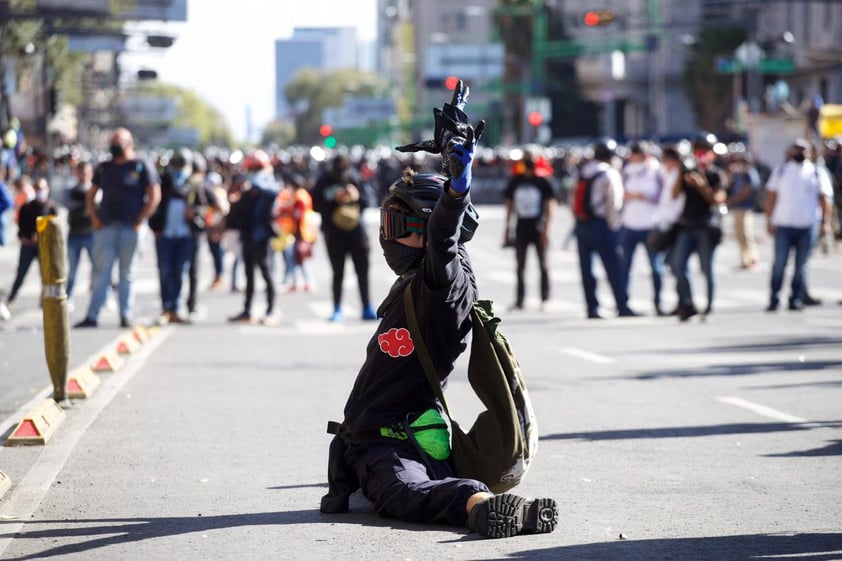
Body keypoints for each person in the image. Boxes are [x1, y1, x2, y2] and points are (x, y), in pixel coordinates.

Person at [321, 82, 558, 538]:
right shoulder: (426, 280)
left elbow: (444, 240)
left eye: (397, 223)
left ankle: (480, 505)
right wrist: (446, 158)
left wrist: (457, 187)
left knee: (404, 494)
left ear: (425, 231)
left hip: (393, 442)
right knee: (384, 486)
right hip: (384, 435)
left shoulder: (441, 283)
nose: (386, 235)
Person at [74, 127, 161, 329]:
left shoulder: (140, 166)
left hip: (130, 227)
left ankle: (125, 315)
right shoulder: (105, 167)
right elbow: (90, 195)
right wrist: (94, 218)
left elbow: (154, 194)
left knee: (127, 273)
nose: (114, 149)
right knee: (101, 272)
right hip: (106, 227)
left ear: (129, 145)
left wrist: (141, 219)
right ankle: (93, 315)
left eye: (118, 144)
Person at [764, 139, 833, 312]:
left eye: (803, 150)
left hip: (807, 225)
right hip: (784, 225)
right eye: (797, 149)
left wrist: (825, 222)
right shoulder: (781, 171)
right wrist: (769, 220)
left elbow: (825, 199)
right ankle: (774, 298)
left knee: (801, 265)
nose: (800, 153)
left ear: (810, 152)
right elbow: (771, 198)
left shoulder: (817, 172)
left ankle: (796, 298)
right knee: (779, 264)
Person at [573, 140, 639, 319]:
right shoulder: (609, 173)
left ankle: (592, 307)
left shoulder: (584, 170)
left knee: (587, 269)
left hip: (582, 224)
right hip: (601, 224)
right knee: (614, 266)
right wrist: (614, 227)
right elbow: (614, 203)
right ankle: (622, 305)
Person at [311, 154, 377, 321]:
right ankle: (337, 307)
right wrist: (334, 200)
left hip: (357, 233)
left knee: (362, 271)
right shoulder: (324, 181)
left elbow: (369, 200)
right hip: (334, 234)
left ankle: (366, 306)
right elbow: (315, 204)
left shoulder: (354, 177)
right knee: (337, 272)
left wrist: (356, 197)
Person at [669, 137, 727, 321]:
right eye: (698, 150)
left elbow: (716, 200)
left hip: (706, 226)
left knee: (706, 268)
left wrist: (701, 185)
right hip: (687, 225)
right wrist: (681, 174)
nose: (701, 154)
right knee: (677, 264)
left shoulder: (715, 174)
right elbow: (674, 194)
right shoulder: (688, 171)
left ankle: (709, 305)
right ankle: (687, 302)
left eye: (704, 150)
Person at [227, 150, 281, 325]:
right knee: (249, 273)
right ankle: (247, 310)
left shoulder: (265, 182)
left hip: (261, 234)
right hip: (247, 233)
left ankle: (271, 310)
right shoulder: (246, 183)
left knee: (266, 272)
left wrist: (254, 186)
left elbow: (273, 193)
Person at [502, 151, 556, 311]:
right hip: (521, 226)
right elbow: (510, 204)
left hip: (538, 226)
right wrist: (507, 227)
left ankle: (545, 298)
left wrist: (547, 228)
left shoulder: (542, 181)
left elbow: (550, 205)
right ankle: (520, 300)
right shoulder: (516, 181)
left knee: (543, 264)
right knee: (520, 266)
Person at [148, 148, 195, 325]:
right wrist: (155, 227)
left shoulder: (192, 184)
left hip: (184, 235)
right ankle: (166, 308)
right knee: (165, 272)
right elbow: (154, 203)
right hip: (165, 234)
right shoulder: (163, 181)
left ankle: (175, 308)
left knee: (179, 272)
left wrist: (194, 214)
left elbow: (203, 206)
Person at [0, 177, 58, 320]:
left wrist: (42, 238)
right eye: (37, 188)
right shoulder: (27, 207)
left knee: (46, 275)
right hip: (28, 246)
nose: (40, 192)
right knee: (21, 274)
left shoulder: (50, 207)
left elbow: (55, 229)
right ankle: (10, 300)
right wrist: (26, 237)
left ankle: (45, 301)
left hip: (43, 247)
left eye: (42, 189)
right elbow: (21, 227)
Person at [620, 142, 665, 315]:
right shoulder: (627, 171)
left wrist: (643, 197)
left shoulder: (656, 171)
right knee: (625, 266)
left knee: (655, 267)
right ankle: (622, 303)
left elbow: (662, 197)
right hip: (630, 223)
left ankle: (658, 302)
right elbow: (621, 193)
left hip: (650, 224)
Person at [63, 161, 95, 308]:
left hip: (91, 234)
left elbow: (97, 205)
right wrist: (87, 201)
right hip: (75, 233)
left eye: (86, 171)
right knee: (73, 270)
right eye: (81, 171)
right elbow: (70, 203)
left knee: (98, 268)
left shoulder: (95, 190)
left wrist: (88, 201)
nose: (83, 175)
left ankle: (104, 296)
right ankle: (68, 297)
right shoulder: (71, 190)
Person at [725, 154, 760, 270]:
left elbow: (747, 190)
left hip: (745, 207)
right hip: (737, 207)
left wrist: (732, 200)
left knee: (746, 234)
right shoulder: (738, 173)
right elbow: (730, 185)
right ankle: (745, 259)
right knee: (739, 234)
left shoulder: (750, 173)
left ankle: (752, 258)